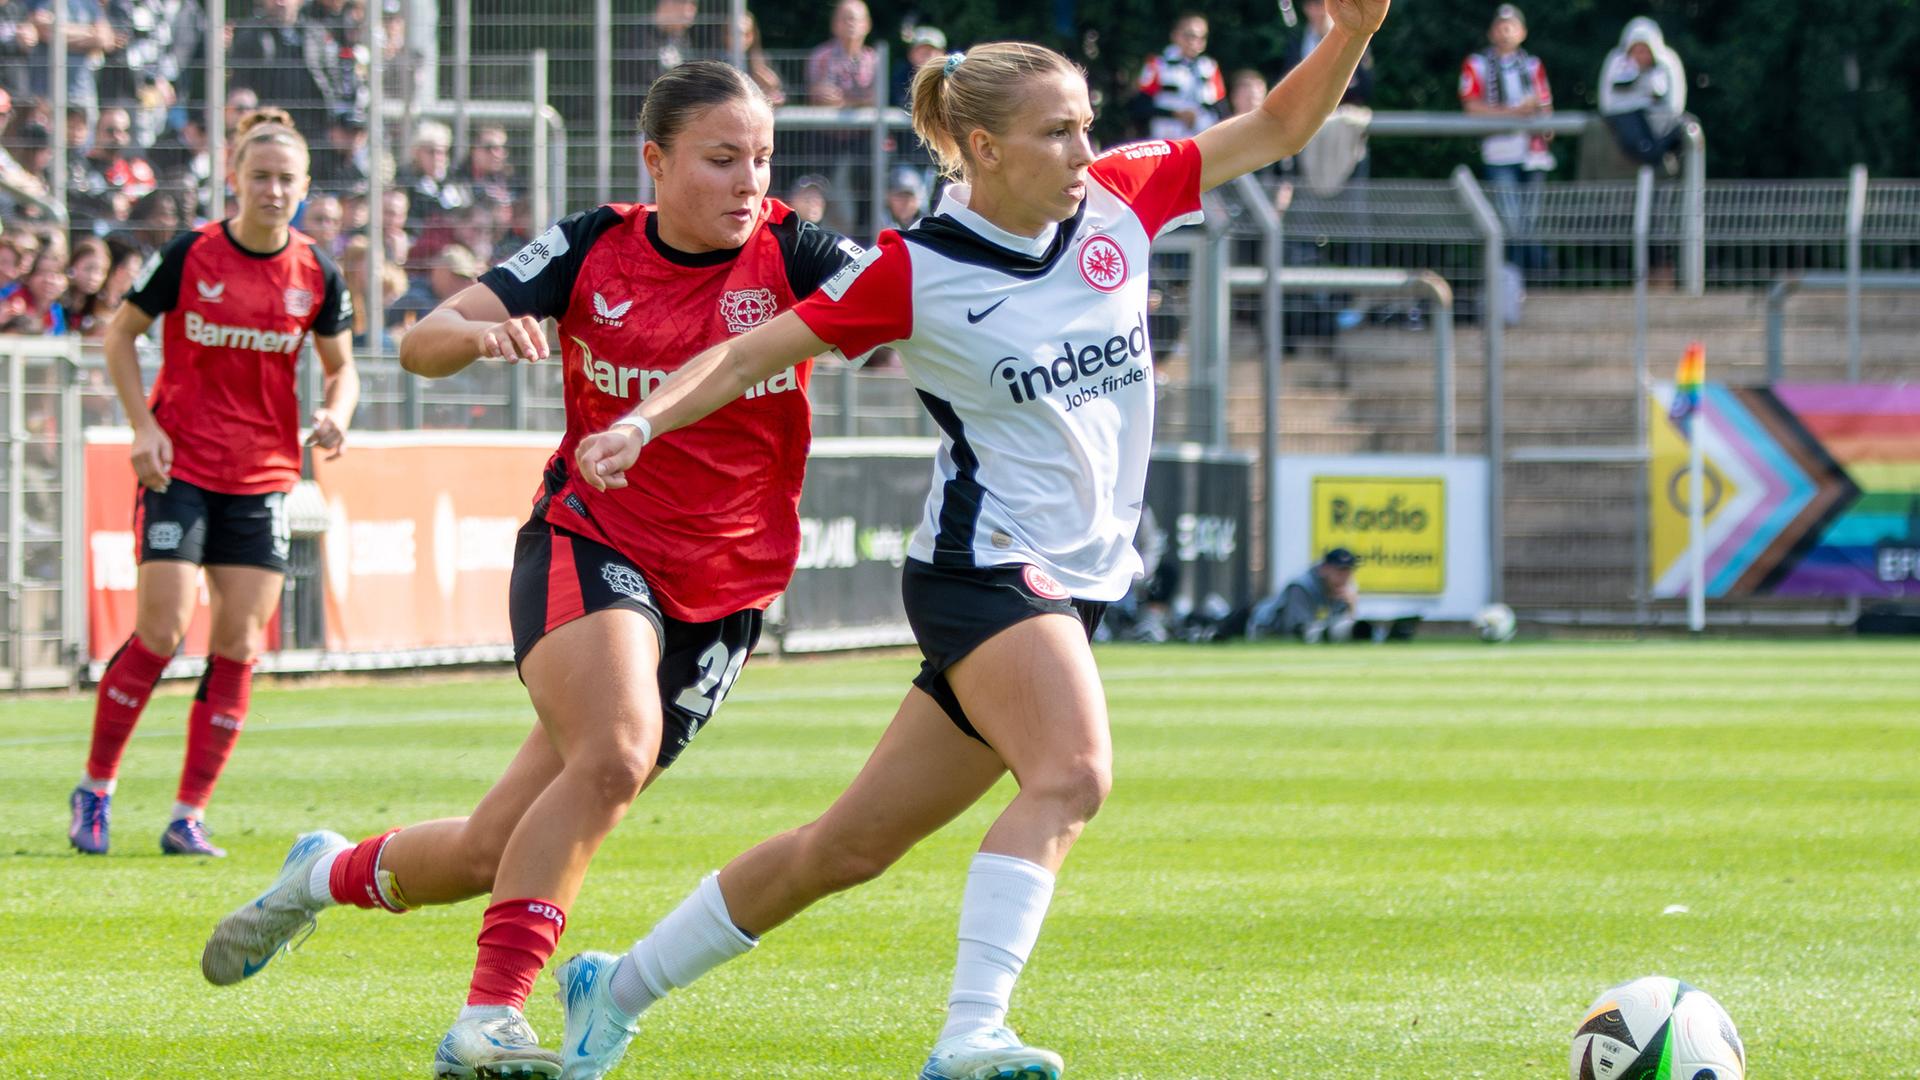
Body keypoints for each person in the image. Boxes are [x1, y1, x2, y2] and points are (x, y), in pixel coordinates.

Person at [559, 12, 1387, 1079]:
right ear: (984, 149)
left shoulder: (1124, 195)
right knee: (1075, 774)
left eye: (1088, 126)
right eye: (1058, 133)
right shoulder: (916, 268)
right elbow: (745, 354)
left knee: (845, 848)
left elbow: (1278, 124)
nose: (1086, 152)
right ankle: (970, 1034)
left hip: (1068, 583)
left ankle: (613, 988)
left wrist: (1356, 26)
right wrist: (639, 421)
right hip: (984, 569)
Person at [196, 61, 863, 1080]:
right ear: (656, 160)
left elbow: (914, 299)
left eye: (761, 158)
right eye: (722, 158)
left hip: (728, 590)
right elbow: (422, 340)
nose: (748, 180)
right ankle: (490, 1017)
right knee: (616, 752)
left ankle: (318, 878)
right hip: (592, 541)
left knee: (484, 850)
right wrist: (475, 332)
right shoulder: (595, 243)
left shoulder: (798, 251)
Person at [67, 107, 357, 858]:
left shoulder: (316, 272)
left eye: (285, 179)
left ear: (303, 187)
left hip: (263, 475)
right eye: (258, 176)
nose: (271, 189)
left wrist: (335, 413)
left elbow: (342, 367)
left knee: (236, 645)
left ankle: (188, 813)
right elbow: (120, 335)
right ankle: (96, 789)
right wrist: (144, 425)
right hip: (182, 465)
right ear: (232, 179)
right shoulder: (190, 253)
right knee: (161, 631)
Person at [1459, 3, 1552, 279]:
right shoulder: (1476, 63)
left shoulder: (1533, 65)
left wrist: (1540, 117)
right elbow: (1472, 107)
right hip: (1499, 154)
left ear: (1523, 32)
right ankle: (1514, 285)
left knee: (1530, 224)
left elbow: (1546, 106)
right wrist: (1514, 113)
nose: (1506, 30)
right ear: (1491, 32)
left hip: (1534, 154)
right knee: (1510, 224)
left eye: (1511, 25)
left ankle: (1532, 286)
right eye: (1500, 25)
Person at [1599, 17, 1686, 169]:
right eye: (1637, 51)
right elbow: (1607, 100)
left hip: (1656, 117)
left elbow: (1671, 103)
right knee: (1645, 148)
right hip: (1625, 116)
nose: (1641, 56)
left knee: (1687, 127)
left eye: (1645, 51)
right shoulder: (1617, 62)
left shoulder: (1665, 64)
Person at [1131, 12, 1226, 142]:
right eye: (1189, 35)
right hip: (1166, 141)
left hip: (1202, 143)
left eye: (1201, 37)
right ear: (1175, 35)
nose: (1194, 42)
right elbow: (1140, 107)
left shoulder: (1210, 68)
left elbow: (1221, 109)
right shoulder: (1158, 64)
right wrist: (1175, 114)